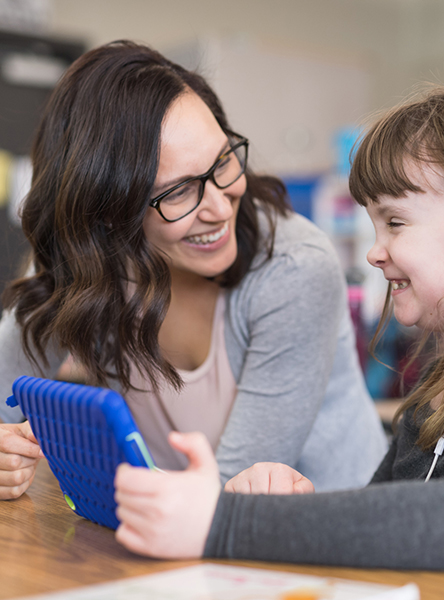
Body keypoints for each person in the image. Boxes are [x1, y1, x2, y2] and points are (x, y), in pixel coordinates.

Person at [114, 83, 444, 591]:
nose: (375, 252)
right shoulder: (441, 391)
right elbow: (383, 547)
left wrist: (224, 523)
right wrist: (287, 506)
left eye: (395, 222)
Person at [0, 40, 387, 500]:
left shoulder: (293, 267)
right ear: (107, 211)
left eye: (223, 161)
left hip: (330, 543)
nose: (221, 205)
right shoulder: (87, 269)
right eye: (180, 191)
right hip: (177, 534)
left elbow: (231, 496)